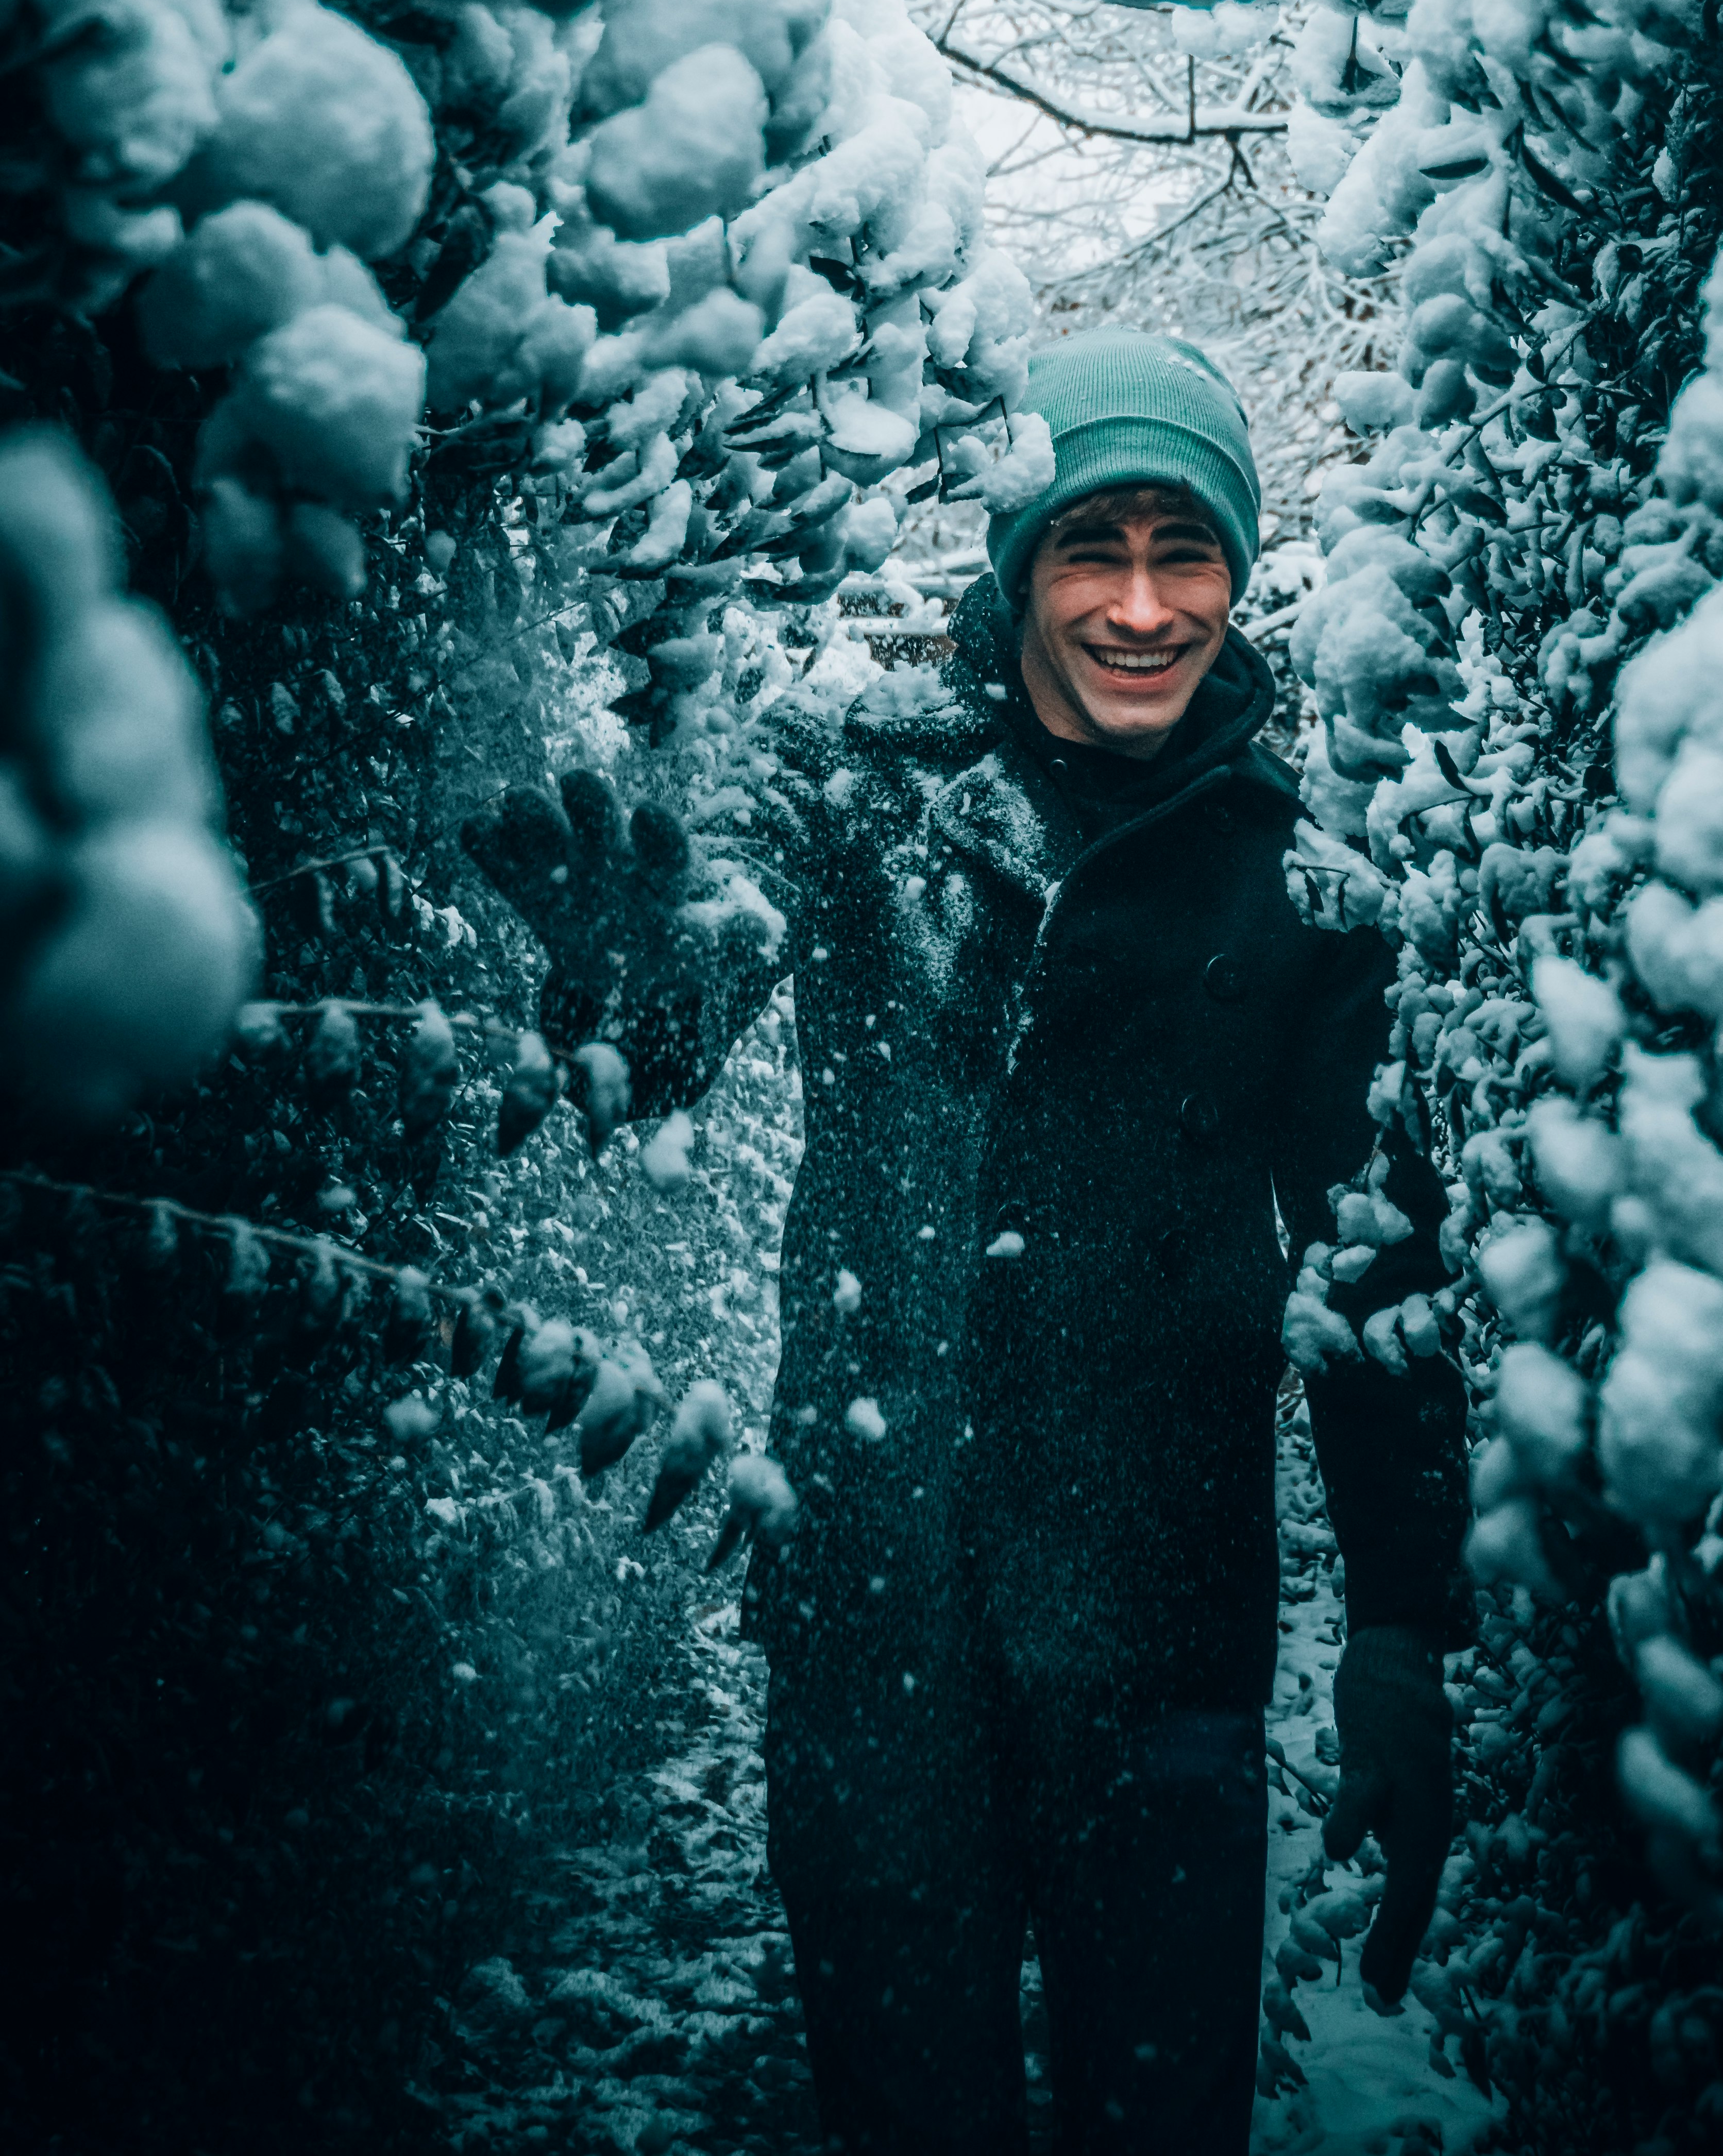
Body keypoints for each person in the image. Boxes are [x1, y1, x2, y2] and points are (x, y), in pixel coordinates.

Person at [463, 328, 1466, 2156]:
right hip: (873, 1610)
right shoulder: (857, 788)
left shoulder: (1300, 877)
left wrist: (1401, 1624)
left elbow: (1372, 1262)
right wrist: (628, 969)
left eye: (1192, 553)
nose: (1146, 606)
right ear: (1018, 568)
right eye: (1095, 548)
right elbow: (714, 939)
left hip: (1163, 1621)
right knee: (906, 2112)